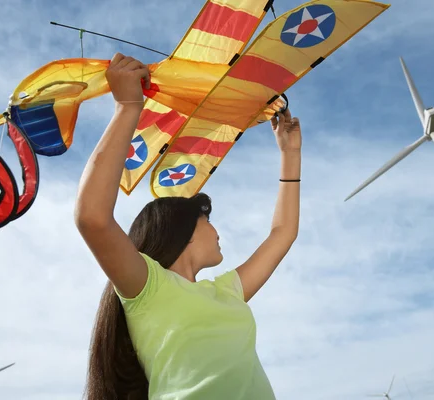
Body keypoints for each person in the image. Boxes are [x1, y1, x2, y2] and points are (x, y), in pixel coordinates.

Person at [75, 53, 302, 400]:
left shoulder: (226, 292)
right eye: (207, 219)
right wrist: (127, 106)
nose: (215, 229)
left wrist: (290, 154)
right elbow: (92, 216)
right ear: (184, 228)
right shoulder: (147, 287)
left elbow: (283, 233)